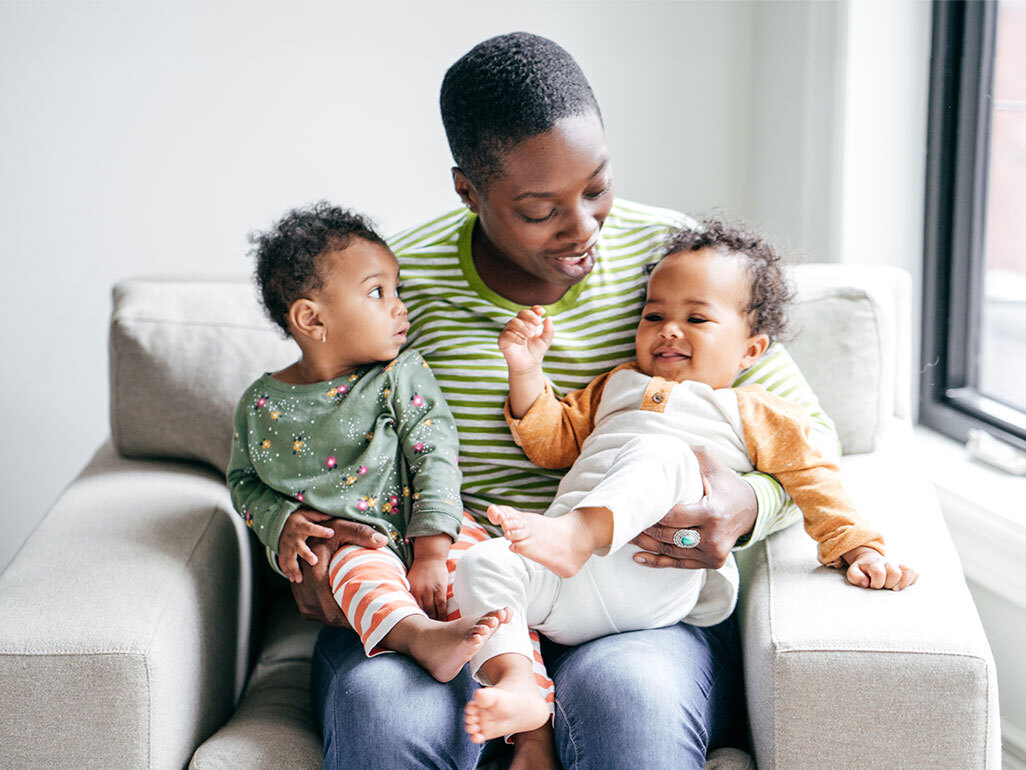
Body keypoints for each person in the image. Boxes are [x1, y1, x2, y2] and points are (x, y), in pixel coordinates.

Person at [296, 32, 843, 770]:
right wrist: (300, 539)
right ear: (468, 191)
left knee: (634, 714)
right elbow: (309, 426)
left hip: (631, 592)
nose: (584, 228)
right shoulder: (396, 285)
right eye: (538, 208)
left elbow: (811, 441)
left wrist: (746, 507)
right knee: (387, 717)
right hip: (452, 585)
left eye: (596, 187)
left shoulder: (675, 265)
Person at [454, 218, 919, 744]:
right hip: (568, 591)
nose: (668, 329)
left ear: (750, 351)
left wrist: (859, 549)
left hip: (654, 581)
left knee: (666, 453)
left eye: (696, 317)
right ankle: (517, 685)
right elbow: (550, 441)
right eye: (655, 315)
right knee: (480, 563)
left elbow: (815, 480)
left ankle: (577, 533)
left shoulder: (755, 412)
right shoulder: (616, 385)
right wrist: (525, 371)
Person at [227, 202, 512, 684]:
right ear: (311, 320)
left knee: (496, 583)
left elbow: (436, 457)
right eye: (378, 292)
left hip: (435, 533)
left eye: (396, 288)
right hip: (359, 546)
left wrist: (431, 554)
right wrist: (282, 524)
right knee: (354, 571)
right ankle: (419, 637)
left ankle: (526, 716)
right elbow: (242, 482)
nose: (401, 306)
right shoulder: (259, 407)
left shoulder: (399, 375)